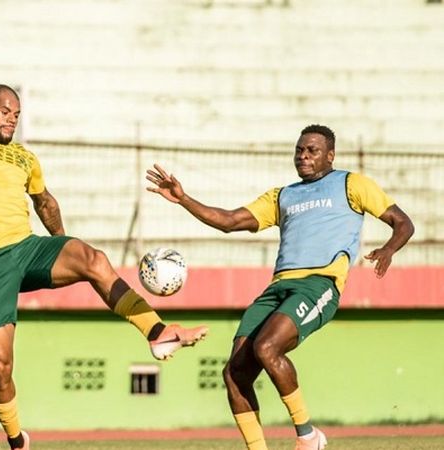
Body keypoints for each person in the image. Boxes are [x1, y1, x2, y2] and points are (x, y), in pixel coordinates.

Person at [0, 62, 209, 450]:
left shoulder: (25, 158)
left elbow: (45, 202)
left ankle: (157, 333)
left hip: (26, 248)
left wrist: (60, 246)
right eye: (6, 112)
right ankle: (16, 438)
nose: (12, 119)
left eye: (17, 114)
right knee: (0, 365)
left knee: (92, 258)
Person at [145, 125, 414, 450]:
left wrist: (388, 249)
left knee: (267, 348)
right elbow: (229, 221)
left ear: (330, 155)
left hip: (319, 284)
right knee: (235, 374)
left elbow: (403, 222)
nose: (303, 156)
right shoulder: (282, 195)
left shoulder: (351, 183)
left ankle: (308, 436)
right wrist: (183, 199)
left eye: (312, 150)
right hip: (277, 289)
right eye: (300, 150)